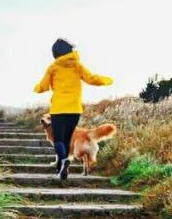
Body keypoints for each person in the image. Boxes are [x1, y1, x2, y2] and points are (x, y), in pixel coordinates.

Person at [33, 38, 113, 180]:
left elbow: (43, 87)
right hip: (74, 110)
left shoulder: (53, 67)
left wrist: (37, 88)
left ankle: (63, 163)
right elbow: (92, 78)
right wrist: (107, 80)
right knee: (67, 138)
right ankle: (64, 165)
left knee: (59, 140)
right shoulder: (77, 65)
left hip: (58, 109)